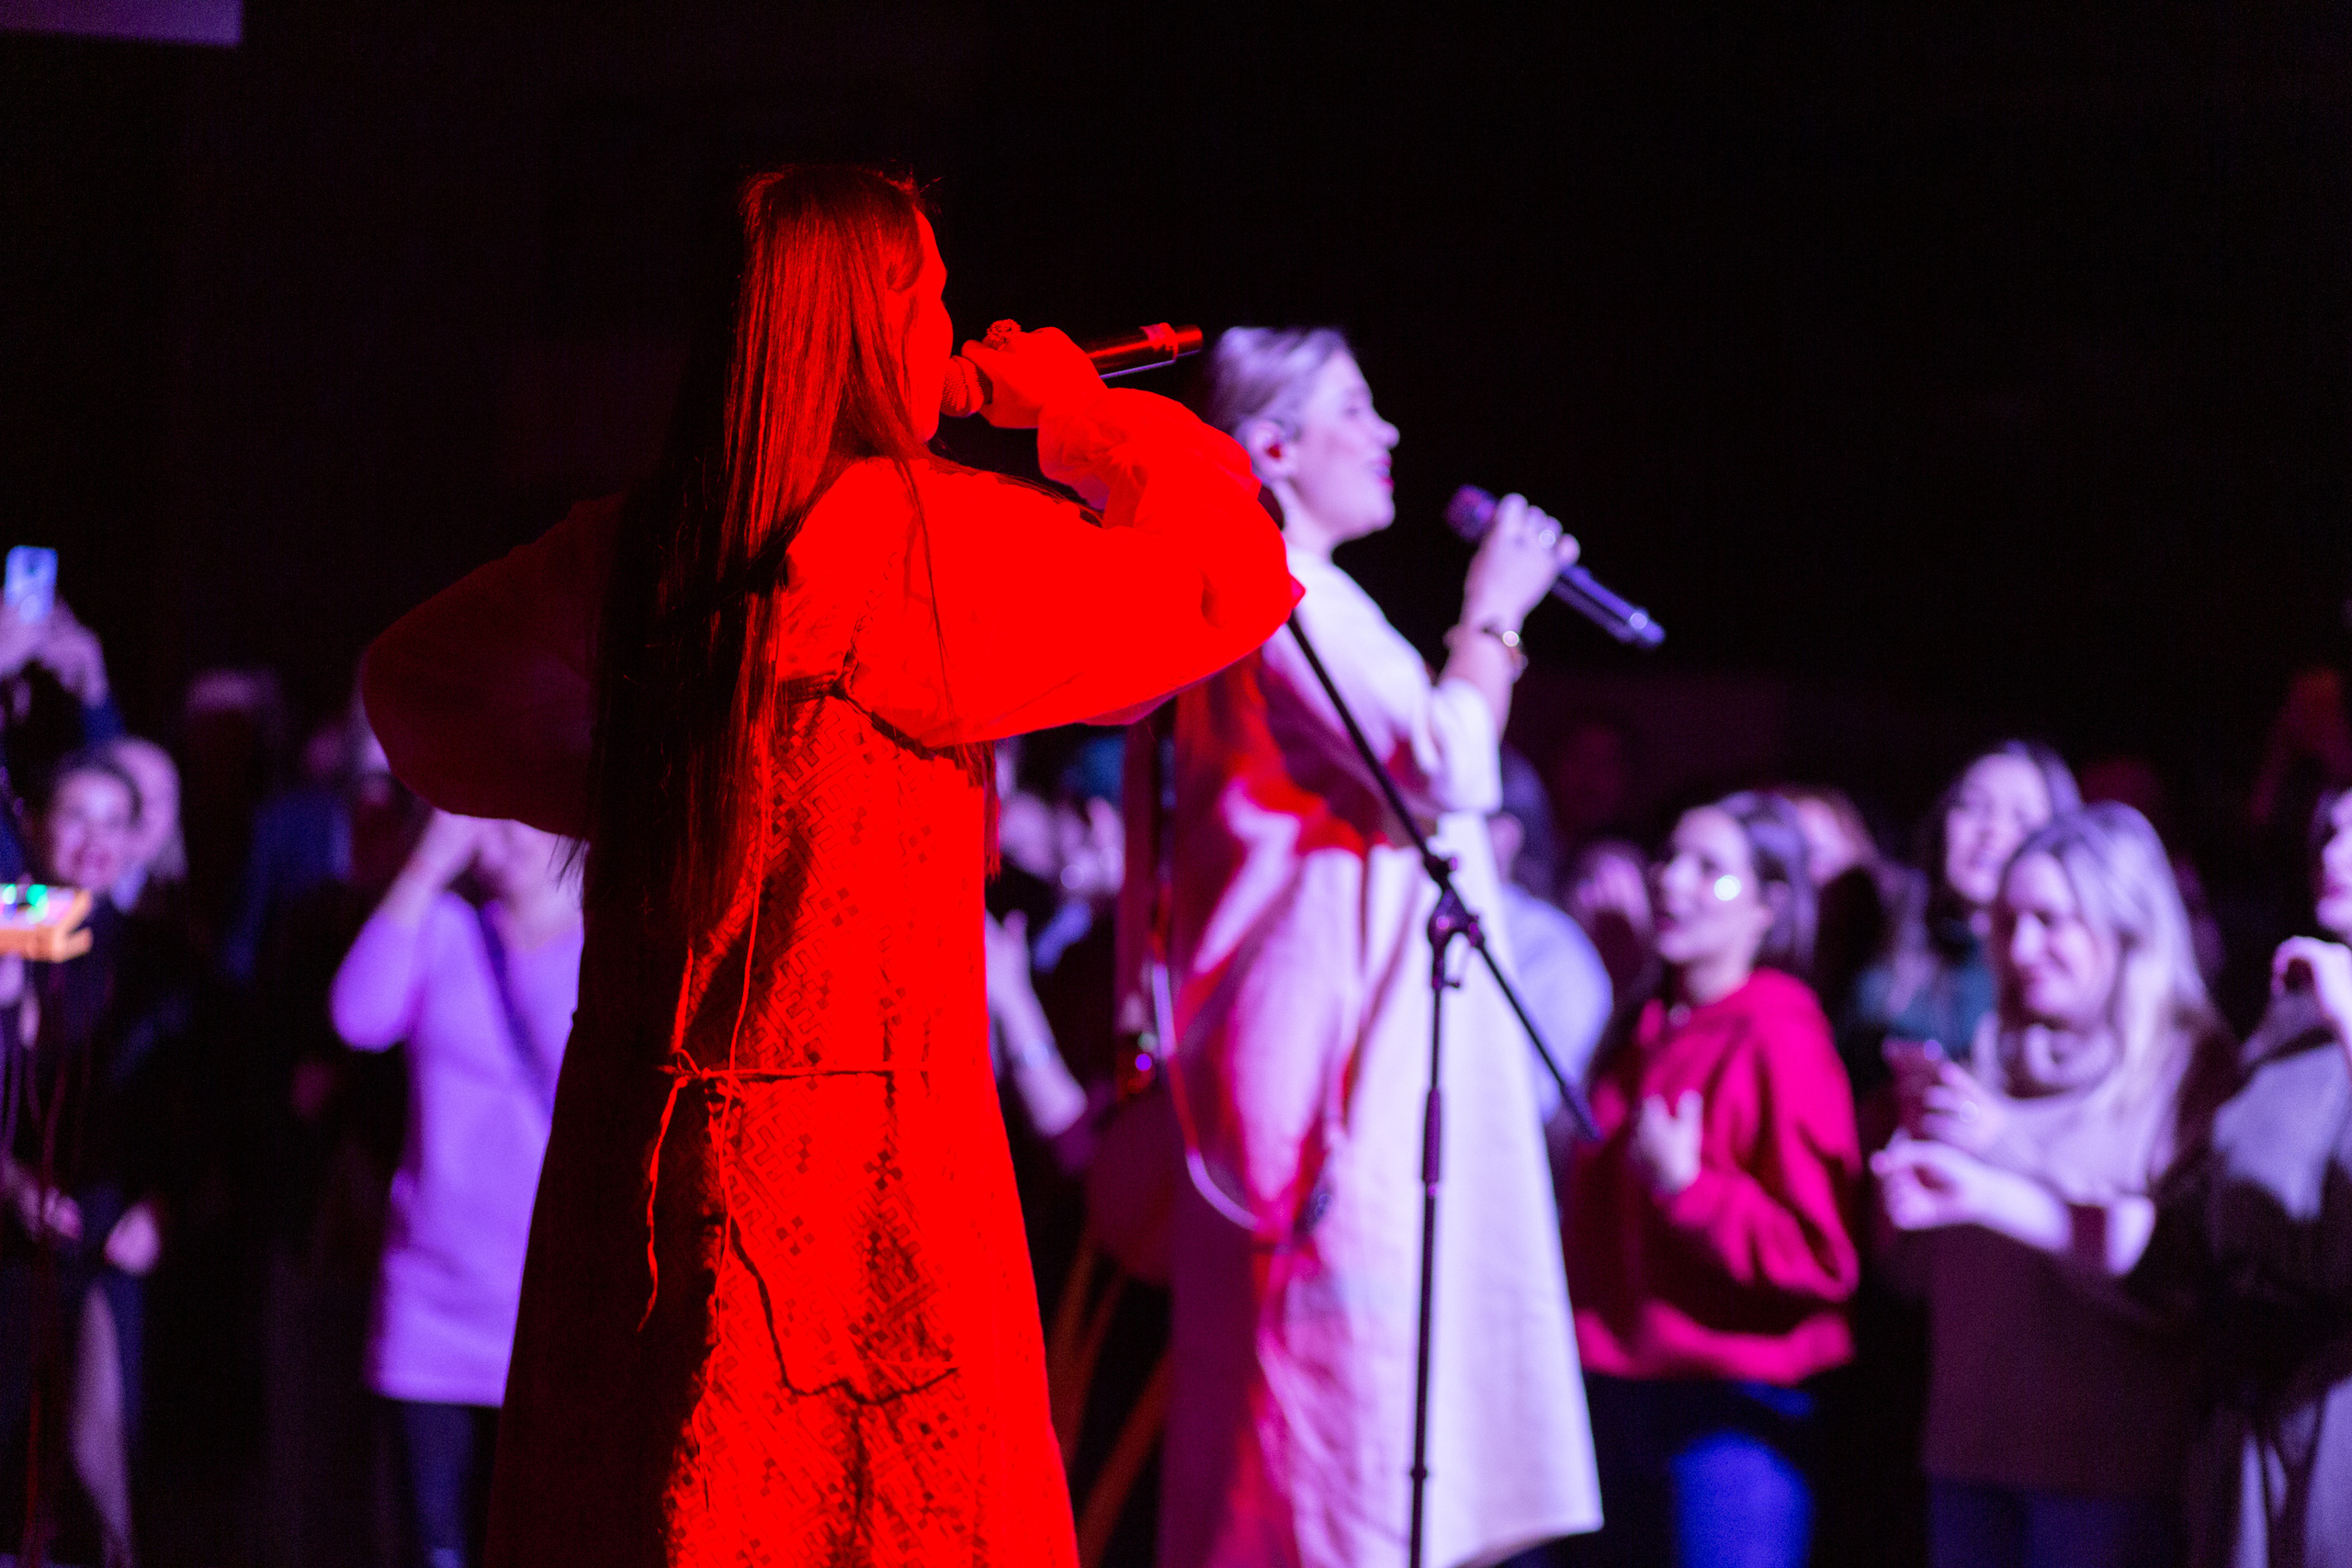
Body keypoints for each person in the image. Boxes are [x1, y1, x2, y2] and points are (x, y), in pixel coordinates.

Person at [360, 165, 1297, 1566]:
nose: (952, 332)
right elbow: (1226, 575)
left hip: (650, 1153)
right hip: (863, 1173)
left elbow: (415, 686)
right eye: (932, 299)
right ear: (875, 321)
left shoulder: (645, 542)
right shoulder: (919, 538)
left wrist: (652, 774)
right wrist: (1076, 412)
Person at [1162, 325, 1598, 1568]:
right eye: (1353, 408)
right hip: (1323, 1080)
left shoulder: (1300, 592)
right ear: (1271, 447)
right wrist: (1494, 615)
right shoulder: (1279, 588)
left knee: (1362, 1430)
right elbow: (1448, 760)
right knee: (1331, 1439)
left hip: (1345, 1058)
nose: (1387, 432)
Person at [1882, 790, 2352, 1567]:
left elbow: (2172, 1287)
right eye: (2008, 920)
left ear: (2125, 925)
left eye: (2052, 919)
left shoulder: (2193, 1067)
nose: (2023, 946)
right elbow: (2181, 1248)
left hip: (2119, 1465)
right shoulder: (2287, 1026)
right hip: (1983, 1449)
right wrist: (1931, 1176)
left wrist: (2008, 1150)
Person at [1562, 791, 1860, 1568]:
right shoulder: (1647, 1024)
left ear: (1769, 907)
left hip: (1727, 1409)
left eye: (1710, 868)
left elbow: (1821, 1253)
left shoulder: (1780, 1037)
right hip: (1617, 1388)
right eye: (1669, 858)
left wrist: (1690, 1188)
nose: (1672, 881)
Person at [330, 811, 582, 1568]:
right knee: (431, 1545)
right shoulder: (445, 929)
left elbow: (580, 1074)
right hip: (431, 1297)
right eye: (485, 821)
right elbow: (357, 1016)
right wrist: (427, 863)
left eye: (522, 820)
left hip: (553, 1301)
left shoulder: (604, 945)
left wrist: (541, 929)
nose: (501, 840)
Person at [2, 750, 199, 1564]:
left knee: (99, 1445)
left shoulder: (154, 951)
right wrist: (9, 1180)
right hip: (13, 1222)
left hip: (105, 1218)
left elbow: (185, 1102)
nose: (95, 839)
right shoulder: (14, 921)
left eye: (114, 823)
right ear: (35, 823)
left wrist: (161, 1203)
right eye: (77, 817)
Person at [1839, 742, 2080, 1100]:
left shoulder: (2055, 975)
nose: (1992, 831)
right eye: (1974, 806)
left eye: (2022, 819)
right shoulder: (1888, 943)